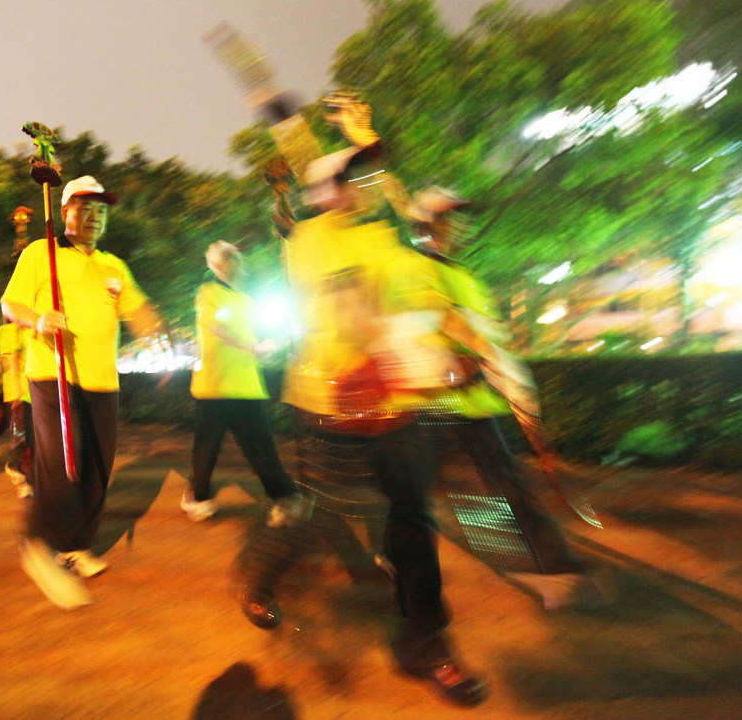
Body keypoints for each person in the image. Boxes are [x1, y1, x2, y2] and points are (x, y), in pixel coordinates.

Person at [237, 149, 486, 707]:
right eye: (351, 176)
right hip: (330, 398)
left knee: (414, 517)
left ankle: (424, 643)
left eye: (368, 174)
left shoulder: (382, 238)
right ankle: (261, 575)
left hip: (393, 400)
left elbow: (416, 296)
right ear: (326, 189)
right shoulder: (308, 241)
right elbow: (347, 303)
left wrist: (463, 344)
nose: (365, 184)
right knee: (320, 509)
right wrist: (387, 352)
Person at [406, 187, 601, 611]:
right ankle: (402, 565)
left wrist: (512, 382)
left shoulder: (465, 276)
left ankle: (557, 568)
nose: (458, 226)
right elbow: (437, 326)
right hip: (434, 407)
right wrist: (472, 358)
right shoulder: (415, 271)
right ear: (425, 227)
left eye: (458, 218)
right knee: (423, 497)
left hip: (475, 404)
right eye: (447, 219)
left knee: (505, 487)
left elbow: (489, 338)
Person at [1, 174, 165, 609]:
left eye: (101, 210)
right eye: (85, 208)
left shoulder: (114, 266)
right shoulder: (41, 253)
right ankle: (38, 545)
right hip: (53, 376)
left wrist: (154, 333)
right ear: (65, 213)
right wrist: (38, 320)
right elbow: (10, 304)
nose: (94, 217)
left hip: (102, 380)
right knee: (60, 463)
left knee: (96, 468)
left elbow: (138, 310)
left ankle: (75, 546)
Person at [181, 240, 301, 523]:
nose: (238, 263)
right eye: (230, 258)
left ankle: (284, 497)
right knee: (207, 450)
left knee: (261, 449)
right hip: (215, 385)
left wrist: (271, 348)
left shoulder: (247, 300)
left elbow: (251, 338)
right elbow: (216, 327)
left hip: (247, 385)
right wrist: (252, 347)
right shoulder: (209, 293)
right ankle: (198, 497)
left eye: (238, 258)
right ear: (217, 265)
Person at [0, 317, 35, 498]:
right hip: (16, 391)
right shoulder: (6, 331)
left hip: (40, 390)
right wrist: (4, 388)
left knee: (35, 437)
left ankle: (24, 470)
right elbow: (2, 363)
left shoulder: (39, 324)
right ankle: (22, 475)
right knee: (13, 429)